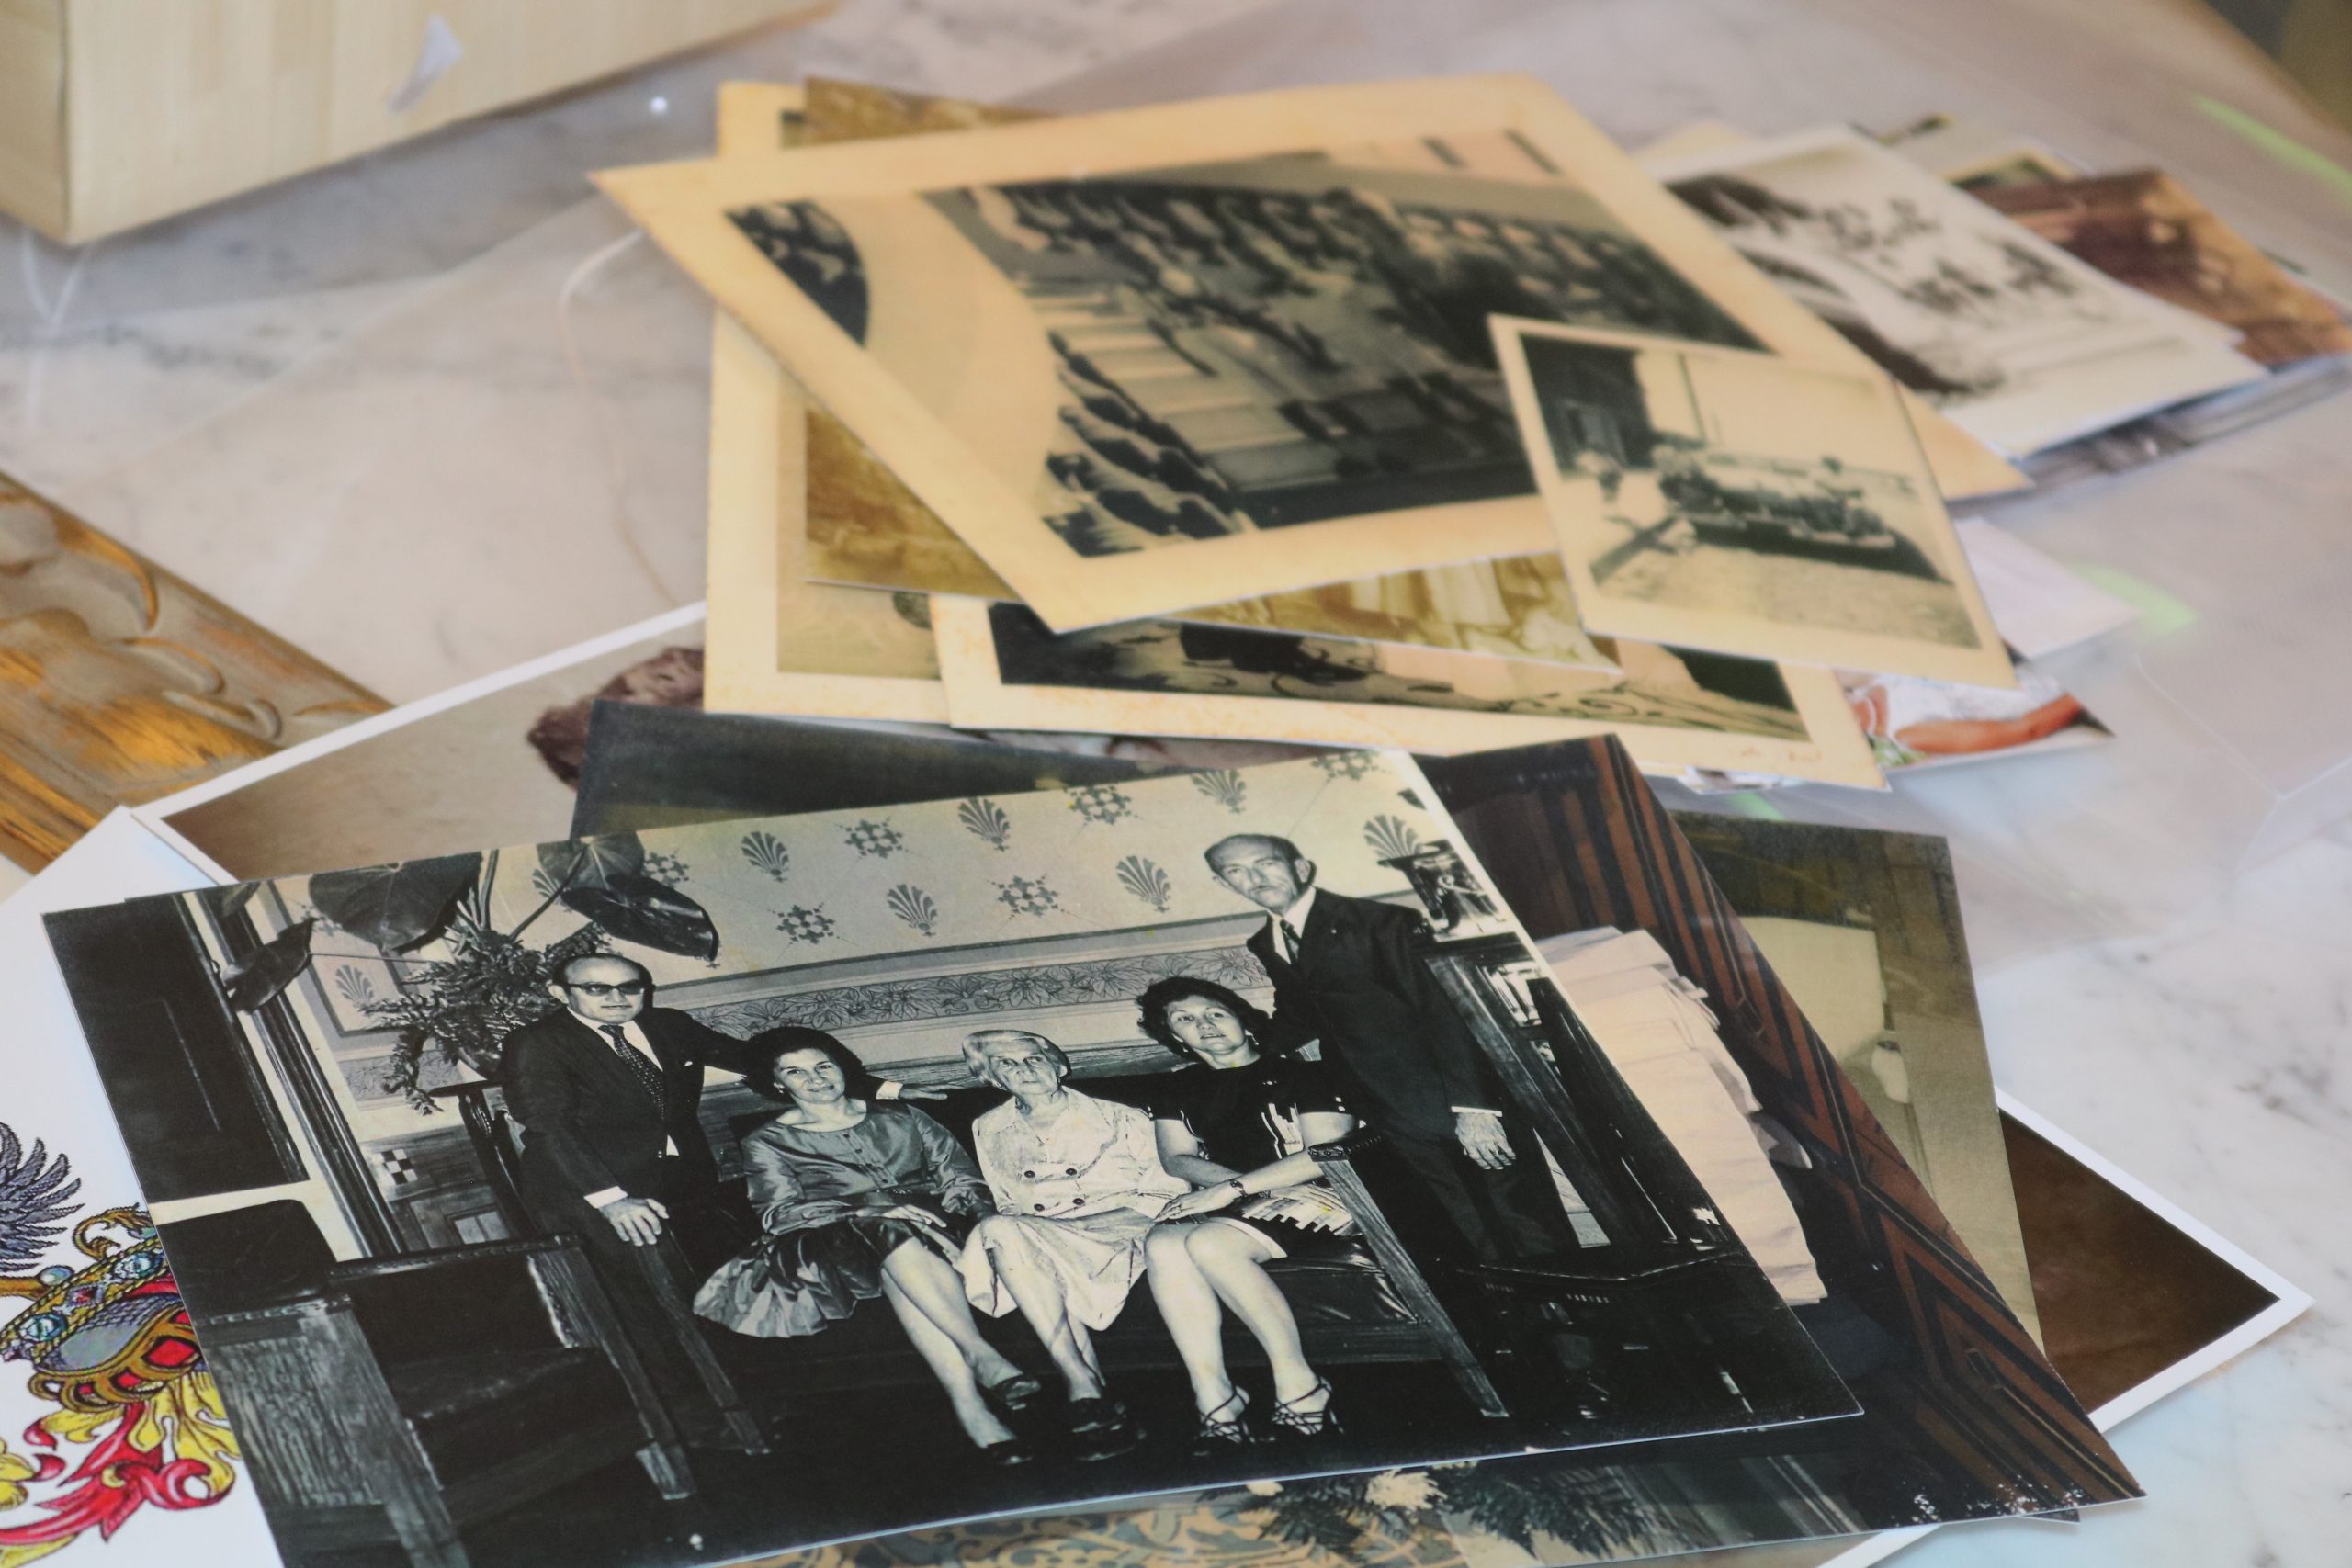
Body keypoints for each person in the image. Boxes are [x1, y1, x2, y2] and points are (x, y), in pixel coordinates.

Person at [501, 955, 922, 1429]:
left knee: (715, 1289)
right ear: (561, 993)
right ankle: (695, 1420)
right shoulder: (537, 1043)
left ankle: (746, 1404)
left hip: (680, 1183)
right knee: (648, 1308)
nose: (618, 998)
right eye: (598, 989)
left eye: (630, 987)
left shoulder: (669, 1026)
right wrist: (612, 1200)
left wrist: (888, 1090)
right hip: (592, 1193)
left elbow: (761, 1062)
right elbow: (548, 1128)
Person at [1204, 833, 1573, 1264]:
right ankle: (1514, 1311)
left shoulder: (1382, 923)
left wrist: (1475, 1110)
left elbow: (1446, 1013)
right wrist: (1228, 1043)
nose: (1255, 878)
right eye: (1236, 871)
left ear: (1300, 868)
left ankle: (1572, 1311)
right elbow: (1300, 1016)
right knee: (1466, 1228)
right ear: (1224, 884)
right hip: (1385, 1110)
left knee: (1524, 1220)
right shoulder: (1267, 942)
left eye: (1266, 864)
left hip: (1453, 1098)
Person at [692, 1029, 1040, 1465]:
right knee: (886, 1230)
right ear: (777, 1083)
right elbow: (778, 1213)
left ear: (842, 1068)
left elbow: (959, 1177)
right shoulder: (767, 1141)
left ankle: (971, 1407)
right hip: (834, 1237)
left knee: (898, 1255)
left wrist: (978, 1218)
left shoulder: (904, 1116)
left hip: (931, 1226)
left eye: (824, 1066)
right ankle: (981, 1354)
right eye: (796, 1072)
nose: (815, 1079)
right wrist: (867, 1209)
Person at [1135, 976, 1358, 1449]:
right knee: (1163, 1243)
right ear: (1174, 1036)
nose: (1205, 1025)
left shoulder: (1308, 1076)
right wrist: (1233, 1190)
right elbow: (1177, 1158)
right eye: (1185, 1019)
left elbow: (1325, 1156)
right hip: (1235, 1198)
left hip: (1321, 1194)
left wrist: (1236, 1189)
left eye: (1215, 1013)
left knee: (1210, 1242)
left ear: (1242, 1020)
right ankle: (1214, 1394)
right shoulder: (1177, 1087)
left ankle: (1300, 1383)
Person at [958, 1030, 1182, 1458]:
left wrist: (1073, 1227)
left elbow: (1166, 1192)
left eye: (1034, 1059)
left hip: (1119, 1229)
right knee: (1002, 1229)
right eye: (1007, 1064)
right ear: (992, 1079)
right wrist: (1042, 1231)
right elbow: (1007, 1201)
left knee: (1019, 1240)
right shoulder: (987, 1127)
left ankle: (1086, 1388)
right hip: (1041, 1236)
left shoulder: (1121, 1116)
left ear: (1058, 1065)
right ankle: (1084, 1385)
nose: (1025, 1069)